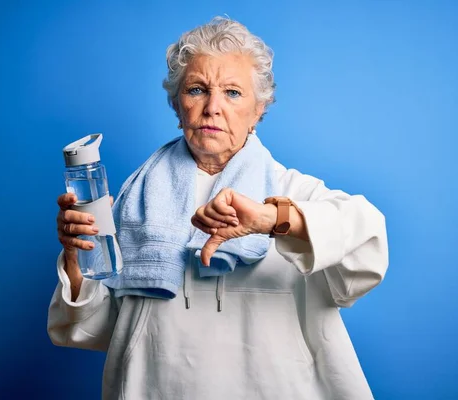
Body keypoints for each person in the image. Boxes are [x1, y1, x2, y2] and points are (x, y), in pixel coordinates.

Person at [48, 16, 389, 400]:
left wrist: (271, 219)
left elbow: (368, 249)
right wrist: (78, 256)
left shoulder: (293, 193)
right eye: (197, 89)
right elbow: (95, 329)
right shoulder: (133, 201)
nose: (212, 107)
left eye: (232, 93)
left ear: (259, 109)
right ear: (178, 105)